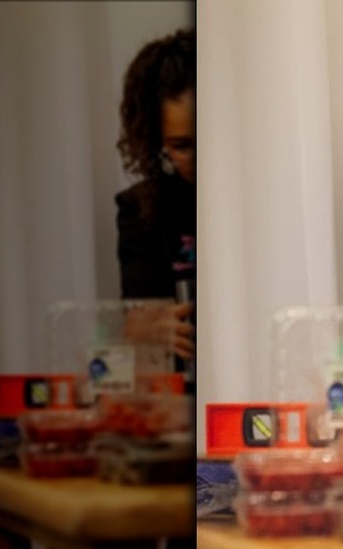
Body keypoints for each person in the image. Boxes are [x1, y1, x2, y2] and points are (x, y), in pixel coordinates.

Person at [114, 28, 197, 372]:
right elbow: (136, 321)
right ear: (157, 140)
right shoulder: (141, 209)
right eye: (182, 145)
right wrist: (146, 331)